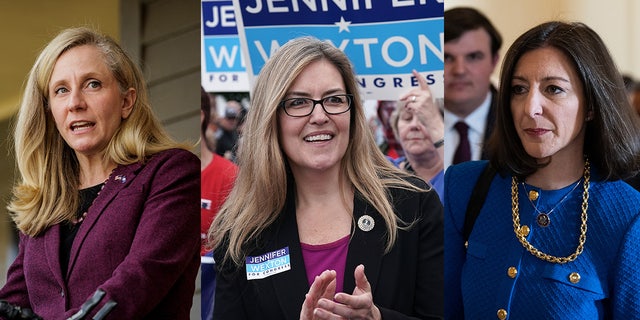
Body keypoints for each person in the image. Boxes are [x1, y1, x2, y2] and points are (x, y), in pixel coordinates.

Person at [208, 36, 443, 319]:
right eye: (298, 102)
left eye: (333, 99)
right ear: (270, 118)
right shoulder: (240, 234)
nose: (319, 116)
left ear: (352, 111)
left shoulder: (413, 205)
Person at [0, 27, 200, 319]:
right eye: (61, 90)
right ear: (50, 111)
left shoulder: (171, 173)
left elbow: (141, 279)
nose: (75, 103)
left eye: (92, 84)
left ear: (126, 101)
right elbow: (13, 304)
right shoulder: (43, 204)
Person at [444, 21, 640, 319]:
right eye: (519, 89)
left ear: (591, 105)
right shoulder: (464, 186)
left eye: (553, 89)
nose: (530, 107)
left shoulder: (627, 216)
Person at [444, 7, 502, 168]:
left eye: (473, 57)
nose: (459, 70)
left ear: (494, 61)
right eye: (446, 57)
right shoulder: (410, 123)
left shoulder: (519, 122)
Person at [389, 70, 445, 203]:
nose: (414, 125)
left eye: (424, 120)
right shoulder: (385, 170)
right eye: (407, 118)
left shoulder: (454, 172)